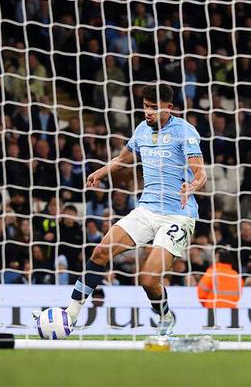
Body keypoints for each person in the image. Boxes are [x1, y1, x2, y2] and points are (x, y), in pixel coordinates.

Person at [35, 84, 206, 336]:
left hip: (178, 215)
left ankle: (165, 316)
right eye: (145, 106)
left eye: (154, 108)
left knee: (148, 279)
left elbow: (200, 172)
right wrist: (101, 172)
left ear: (169, 108)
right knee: (100, 252)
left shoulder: (184, 131)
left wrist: (192, 186)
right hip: (147, 209)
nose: (148, 112)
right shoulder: (142, 130)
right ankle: (71, 313)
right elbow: (122, 159)